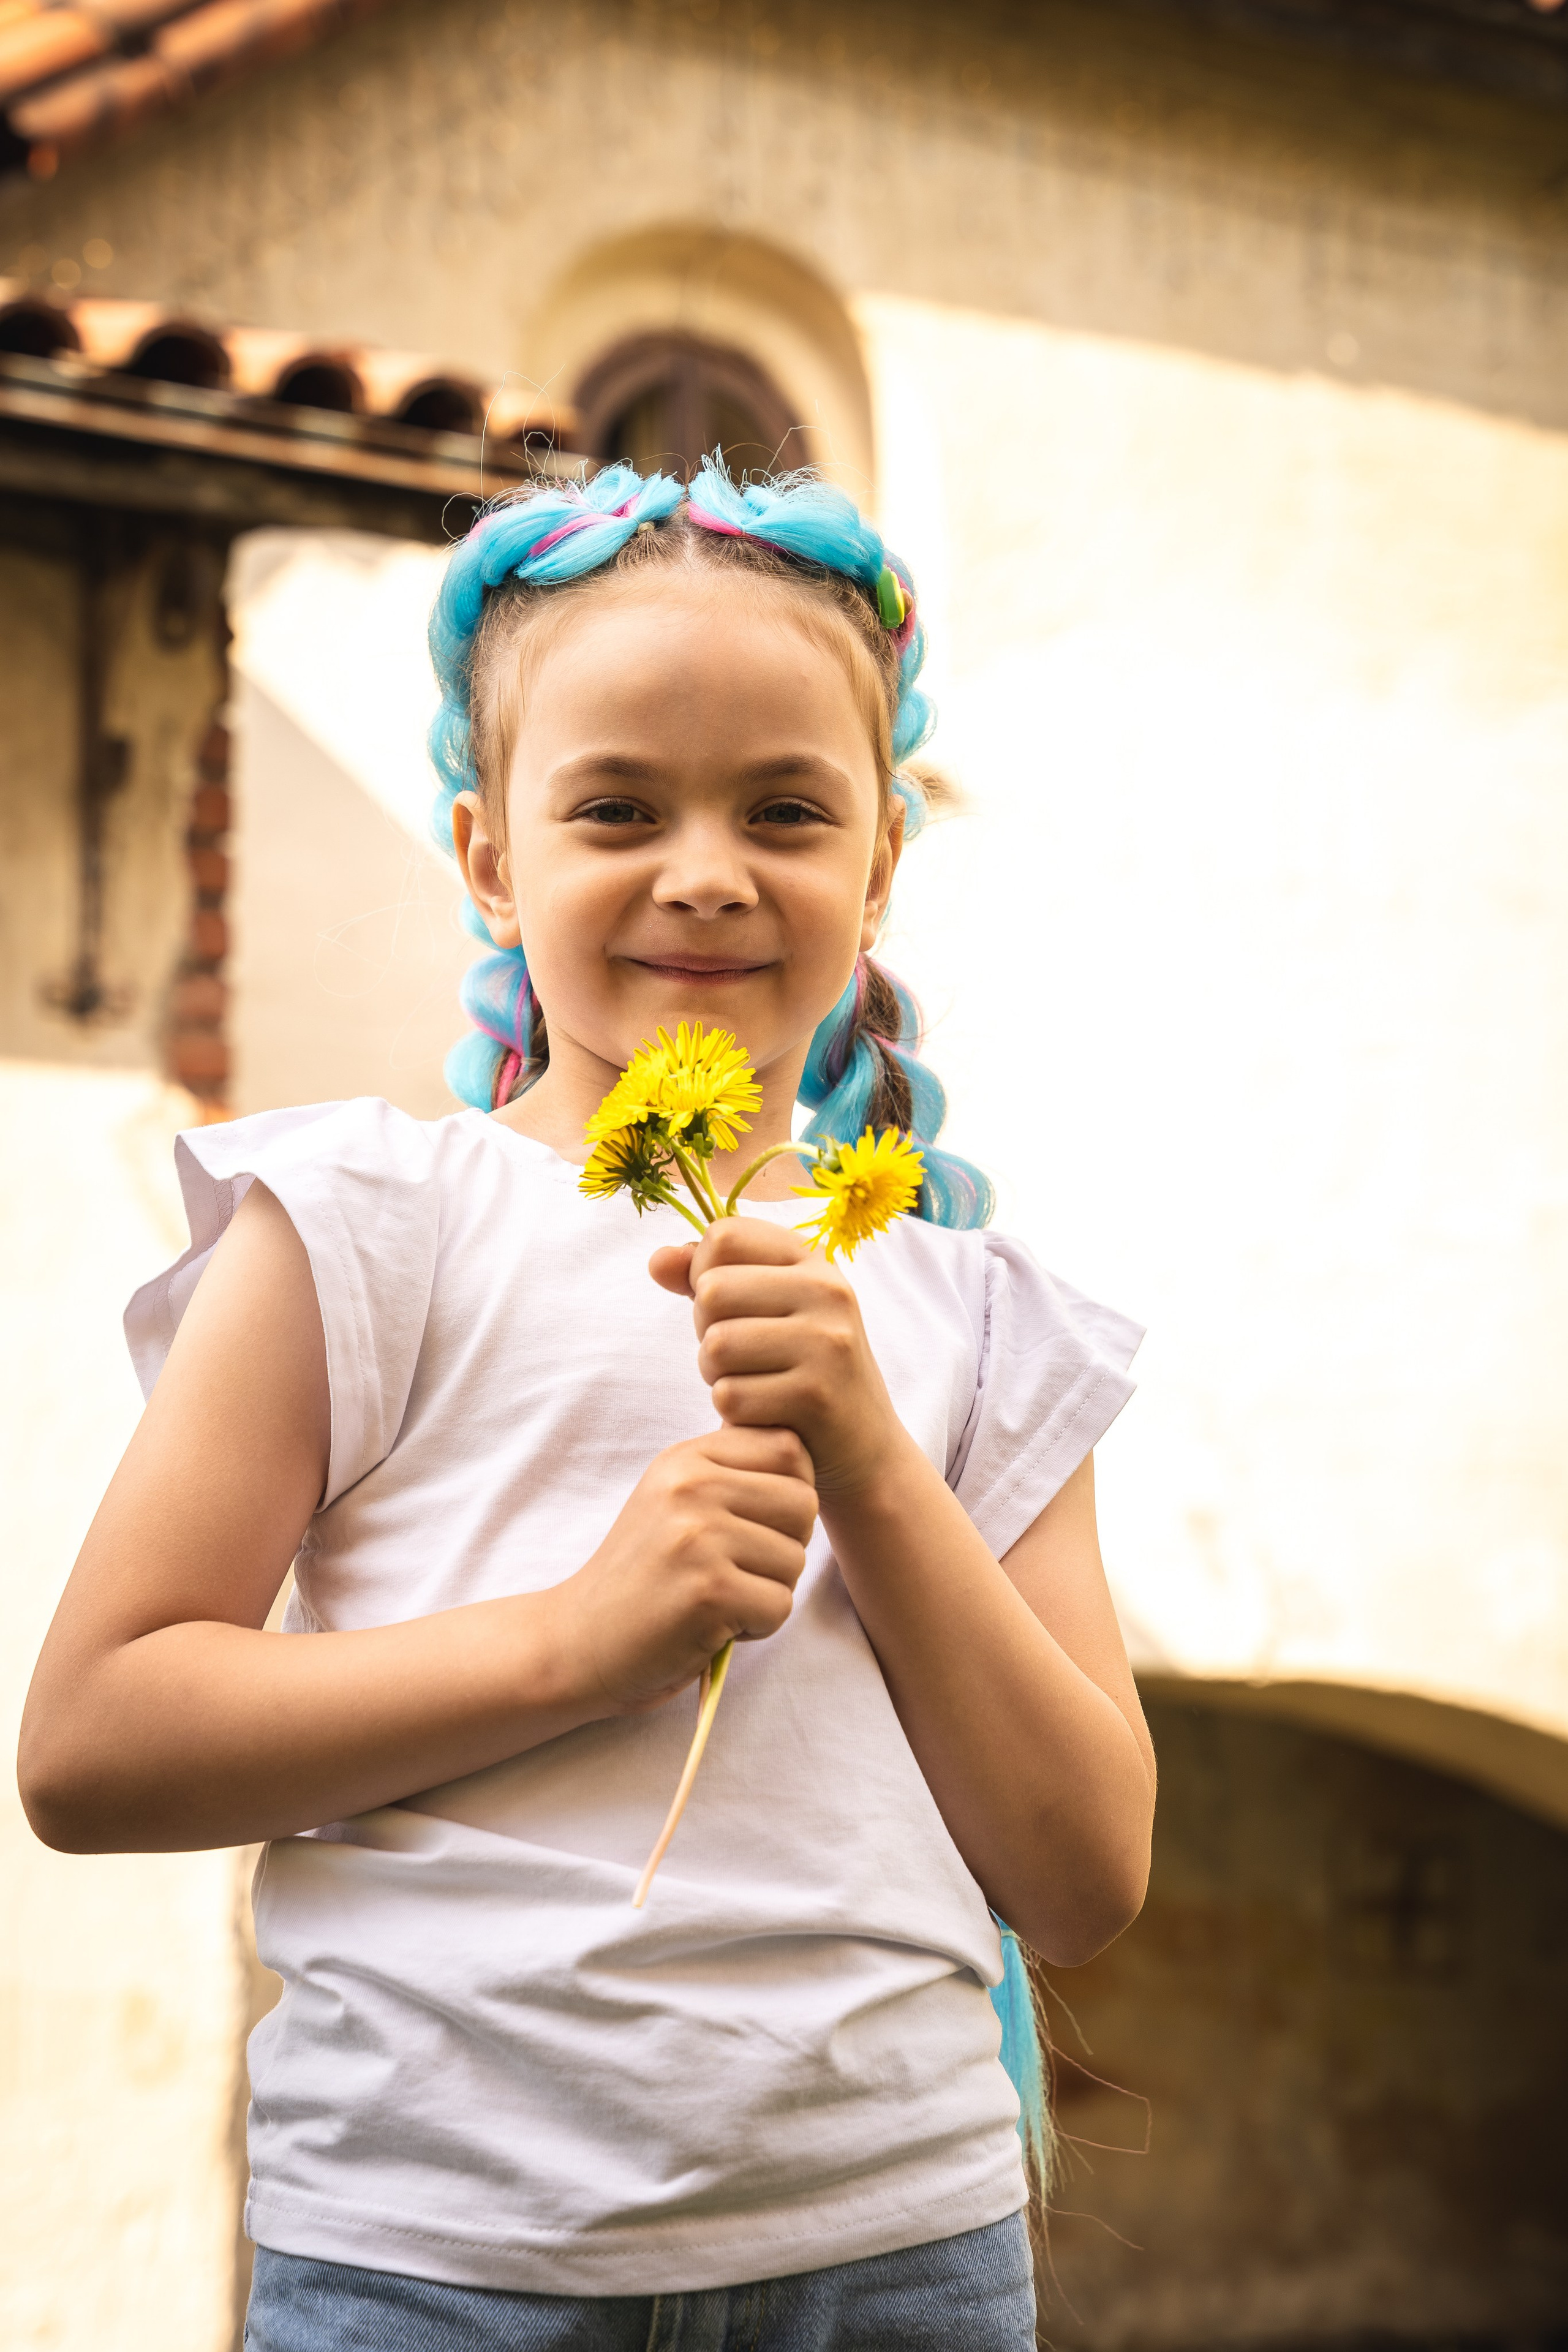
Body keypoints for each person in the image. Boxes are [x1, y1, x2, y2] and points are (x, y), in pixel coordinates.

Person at [18, 462, 1156, 2351]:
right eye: (619, 807)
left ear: (880, 863)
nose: (705, 870)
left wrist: (873, 1462)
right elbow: (91, 1744)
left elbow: (1085, 1874)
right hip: (432, 2260)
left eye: (785, 810)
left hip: (899, 2257)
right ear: (489, 856)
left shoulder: (977, 1315)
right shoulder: (364, 1226)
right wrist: (576, 1639)